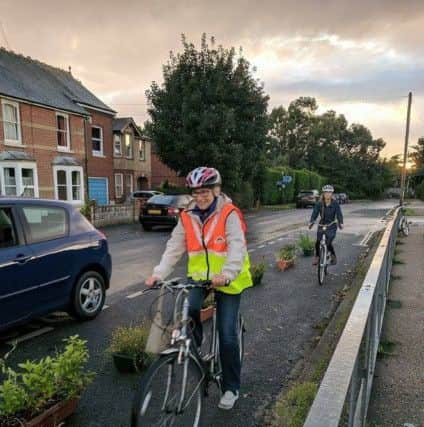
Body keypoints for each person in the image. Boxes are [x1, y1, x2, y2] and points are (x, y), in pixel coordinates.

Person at [146, 166, 252, 410]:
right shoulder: (187, 215)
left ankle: (231, 387)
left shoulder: (229, 214)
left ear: (216, 190)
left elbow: (237, 246)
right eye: (196, 192)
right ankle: (195, 355)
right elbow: (175, 246)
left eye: (205, 191)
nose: (201, 197)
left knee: (226, 335)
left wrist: (227, 273)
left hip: (229, 279)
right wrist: (158, 273)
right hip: (199, 277)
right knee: (189, 308)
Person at [309, 185, 344, 266]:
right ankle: (317, 256)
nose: (328, 194)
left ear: (332, 193)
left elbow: (339, 214)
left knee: (328, 242)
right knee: (318, 241)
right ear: (323, 193)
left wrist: (341, 222)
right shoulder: (319, 204)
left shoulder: (335, 204)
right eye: (326, 192)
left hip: (331, 225)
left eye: (329, 192)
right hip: (322, 224)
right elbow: (314, 213)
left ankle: (333, 255)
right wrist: (311, 222)